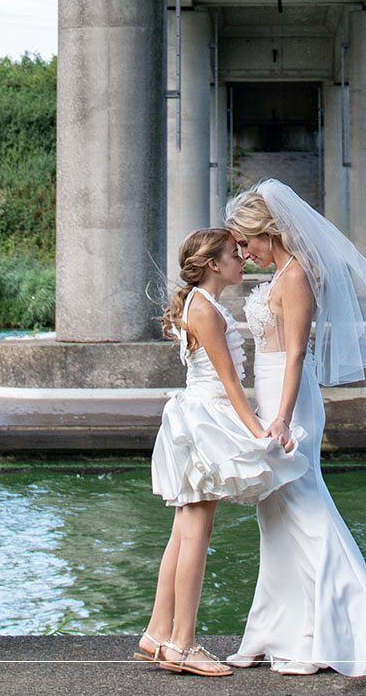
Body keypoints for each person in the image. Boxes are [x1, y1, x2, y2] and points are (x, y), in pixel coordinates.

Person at [223, 179, 366, 678]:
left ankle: (351, 635)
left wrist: (282, 418)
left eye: (246, 244)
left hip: (291, 403)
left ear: (269, 233)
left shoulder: (295, 277)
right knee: (274, 520)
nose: (243, 255)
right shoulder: (284, 272)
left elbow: (294, 354)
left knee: (308, 514)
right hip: (274, 397)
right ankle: (283, 634)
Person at [139, 228, 308, 677]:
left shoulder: (202, 303)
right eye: (235, 255)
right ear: (214, 264)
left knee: (183, 531)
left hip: (199, 416)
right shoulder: (205, 309)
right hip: (205, 420)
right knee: (196, 532)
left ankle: (158, 633)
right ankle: (184, 644)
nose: (242, 260)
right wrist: (260, 433)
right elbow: (231, 384)